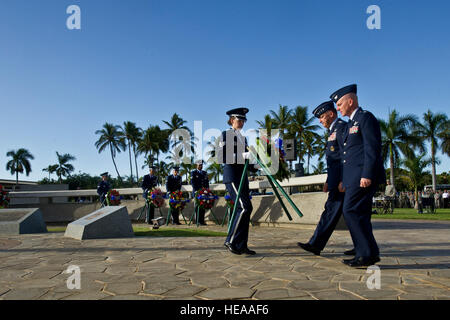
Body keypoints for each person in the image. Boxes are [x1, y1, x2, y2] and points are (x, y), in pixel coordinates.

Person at [330, 84, 384, 267]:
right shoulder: (350, 124)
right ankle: (367, 253)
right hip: (353, 179)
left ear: (350, 101)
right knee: (358, 214)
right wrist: (344, 180)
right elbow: (347, 156)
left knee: (350, 211)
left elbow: (372, 148)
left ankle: (366, 253)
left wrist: (367, 174)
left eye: (339, 104)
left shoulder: (365, 118)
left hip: (363, 177)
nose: (337, 108)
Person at [297, 101, 355, 256]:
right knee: (348, 214)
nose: (320, 120)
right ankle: (361, 246)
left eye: (322, 116)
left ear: (331, 114)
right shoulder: (333, 131)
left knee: (338, 212)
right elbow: (333, 161)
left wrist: (344, 180)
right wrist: (329, 181)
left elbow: (346, 156)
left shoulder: (341, 128)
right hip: (336, 182)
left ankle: (316, 244)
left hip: (342, 183)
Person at [219, 107, 258, 255]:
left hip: (242, 177)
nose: (241, 122)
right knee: (244, 207)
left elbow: (246, 161)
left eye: (243, 120)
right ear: (231, 120)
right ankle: (231, 240)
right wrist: (243, 156)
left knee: (247, 208)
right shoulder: (226, 134)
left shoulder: (243, 138)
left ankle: (241, 244)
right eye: (239, 119)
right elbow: (223, 157)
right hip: (232, 177)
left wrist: (255, 163)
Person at [191, 160, 210, 225]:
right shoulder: (193, 173)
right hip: (197, 193)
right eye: (199, 165)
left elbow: (207, 182)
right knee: (197, 207)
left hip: (203, 192)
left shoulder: (204, 173)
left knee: (203, 206)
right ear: (196, 165)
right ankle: (197, 221)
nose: (200, 166)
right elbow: (193, 183)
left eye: (201, 165)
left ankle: (202, 221)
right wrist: (196, 191)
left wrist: (207, 190)